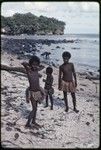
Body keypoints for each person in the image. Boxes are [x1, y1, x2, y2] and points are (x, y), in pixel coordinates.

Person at [21, 56, 45, 128]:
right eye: (33, 64)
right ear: (31, 64)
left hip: (38, 92)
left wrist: (37, 66)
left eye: (36, 64)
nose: (35, 66)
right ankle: (28, 123)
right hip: (32, 93)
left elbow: (43, 66)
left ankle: (34, 121)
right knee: (34, 109)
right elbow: (23, 63)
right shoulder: (29, 71)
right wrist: (28, 65)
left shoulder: (37, 70)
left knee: (36, 108)